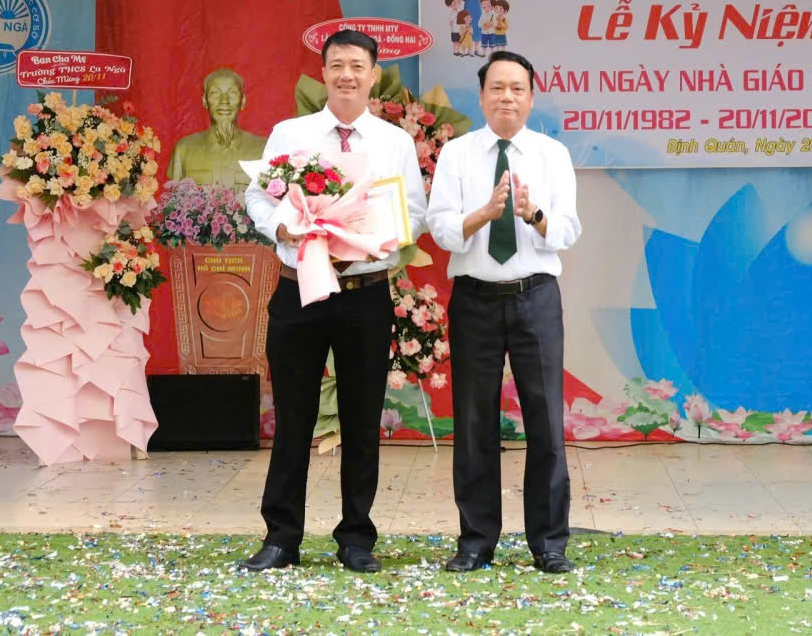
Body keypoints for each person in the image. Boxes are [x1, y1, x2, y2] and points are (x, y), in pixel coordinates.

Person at [241, 28, 427, 573]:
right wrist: (282, 228)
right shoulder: (291, 133)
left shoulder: (394, 142)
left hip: (364, 293)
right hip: (299, 289)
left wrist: (379, 236)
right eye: (338, 65)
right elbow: (257, 194)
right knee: (293, 416)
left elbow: (414, 210)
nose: (347, 75)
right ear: (323, 73)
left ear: (373, 75)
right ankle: (281, 538)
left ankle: (356, 538)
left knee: (362, 419)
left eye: (357, 66)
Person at [426, 50, 582, 573]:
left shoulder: (552, 154)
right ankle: (476, 541)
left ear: (532, 98)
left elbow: (567, 230)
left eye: (517, 88)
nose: (507, 97)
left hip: (536, 296)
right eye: (497, 88)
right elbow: (440, 227)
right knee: (474, 423)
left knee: (545, 420)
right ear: (481, 96)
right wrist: (483, 215)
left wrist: (532, 215)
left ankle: (549, 542)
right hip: (474, 299)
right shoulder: (457, 154)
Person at [167, 68, 267, 190]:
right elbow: (173, 198)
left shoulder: (263, 148)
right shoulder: (184, 149)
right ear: (205, 101)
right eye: (215, 93)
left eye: (232, 93)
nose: (224, 101)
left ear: (243, 101)